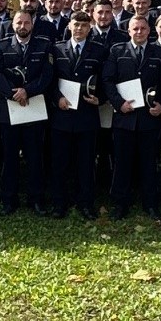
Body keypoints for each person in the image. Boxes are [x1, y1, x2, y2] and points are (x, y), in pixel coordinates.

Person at [104, 15, 161, 221]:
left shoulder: (159, 53)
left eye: (143, 28)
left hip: (149, 119)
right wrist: (118, 103)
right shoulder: (117, 51)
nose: (139, 32)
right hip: (124, 117)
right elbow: (107, 80)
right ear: (129, 31)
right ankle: (120, 204)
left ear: (149, 31)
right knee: (122, 163)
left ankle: (150, 204)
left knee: (149, 163)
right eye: (135, 29)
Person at [0, 9, 54, 216]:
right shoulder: (1, 46)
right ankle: (9, 200)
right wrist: (13, 94)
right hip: (10, 110)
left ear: (32, 25)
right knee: (9, 157)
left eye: (27, 23)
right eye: (19, 22)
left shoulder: (44, 46)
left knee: (35, 157)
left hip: (34, 108)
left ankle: (36, 199)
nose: (23, 26)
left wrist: (28, 91)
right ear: (13, 24)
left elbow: (47, 76)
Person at [49, 12, 109, 219]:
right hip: (62, 114)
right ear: (69, 26)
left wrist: (99, 98)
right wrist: (57, 98)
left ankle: (85, 203)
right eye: (76, 24)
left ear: (90, 27)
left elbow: (106, 79)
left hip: (87, 114)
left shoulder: (99, 50)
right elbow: (50, 79)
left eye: (84, 25)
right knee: (60, 163)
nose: (80, 28)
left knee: (85, 163)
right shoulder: (57, 49)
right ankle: (60, 203)